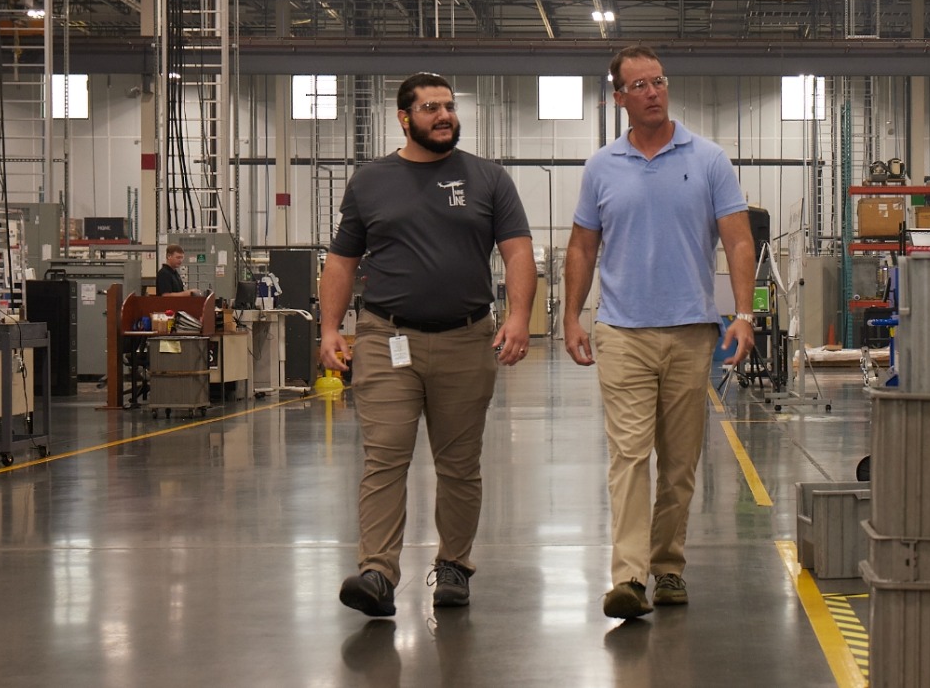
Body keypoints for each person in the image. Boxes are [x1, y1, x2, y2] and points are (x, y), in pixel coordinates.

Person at [320, 72, 537, 617]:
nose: (444, 116)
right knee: (384, 458)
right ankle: (377, 572)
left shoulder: (488, 178)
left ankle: (455, 566)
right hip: (385, 337)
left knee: (459, 465)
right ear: (404, 117)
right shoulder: (371, 181)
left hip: (467, 340)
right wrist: (328, 329)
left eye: (449, 107)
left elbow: (517, 251)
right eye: (430, 108)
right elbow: (342, 261)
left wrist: (519, 316)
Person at [564, 45, 757, 620]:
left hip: (692, 331)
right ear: (618, 97)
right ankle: (628, 577)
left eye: (659, 81)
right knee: (628, 455)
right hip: (621, 330)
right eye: (639, 85)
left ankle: (668, 565)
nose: (652, 91)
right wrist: (572, 316)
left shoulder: (709, 158)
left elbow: (739, 239)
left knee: (679, 461)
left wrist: (743, 314)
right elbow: (582, 245)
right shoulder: (602, 166)